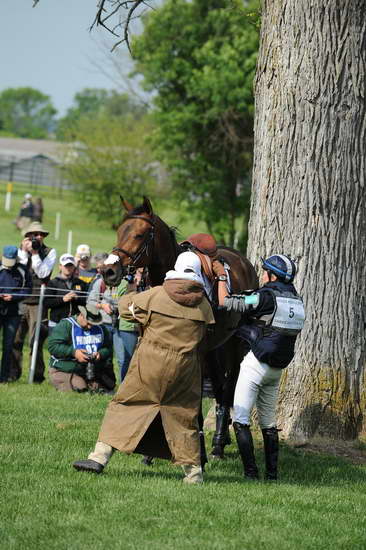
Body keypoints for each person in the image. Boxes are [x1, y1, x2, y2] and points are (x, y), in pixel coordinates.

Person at [73, 252, 215, 484]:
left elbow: (127, 309)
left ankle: (99, 457)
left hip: (150, 363)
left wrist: (130, 292)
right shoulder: (203, 306)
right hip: (185, 369)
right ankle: (194, 474)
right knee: (182, 416)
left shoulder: (157, 294)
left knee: (125, 405)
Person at [213, 254, 305, 481]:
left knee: (241, 419)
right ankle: (272, 476)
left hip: (256, 366)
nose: (262, 275)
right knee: (268, 422)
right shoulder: (296, 299)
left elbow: (226, 302)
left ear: (272, 275)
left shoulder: (265, 296)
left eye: (265, 271)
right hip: (276, 370)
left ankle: (251, 474)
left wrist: (223, 278)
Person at [11, 222, 57, 383]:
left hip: (38, 301)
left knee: (35, 340)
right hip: (19, 300)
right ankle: (12, 373)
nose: (37, 237)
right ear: (27, 237)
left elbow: (43, 273)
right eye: (33, 235)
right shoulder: (19, 251)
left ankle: (36, 376)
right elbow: (18, 272)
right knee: (15, 339)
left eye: (40, 234)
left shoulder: (49, 252)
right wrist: (24, 252)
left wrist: (36, 253)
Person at [87, 254, 139, 383]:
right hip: (104, 324)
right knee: (104, 356)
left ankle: (123, 386)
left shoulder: (128, 282)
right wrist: (102, 305)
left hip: (122, 325)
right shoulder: (100, 282)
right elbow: (90, 301)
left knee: (122, 358)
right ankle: (104, 384)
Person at [48, 304, 115, 393]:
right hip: (65, 369)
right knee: (80, 388)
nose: (90, 327)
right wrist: (74, 352)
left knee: (101, 390)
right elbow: (53, 346)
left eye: (93, 324)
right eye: (88, 323)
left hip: (91, 370)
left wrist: (100, 354)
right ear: (81, 315)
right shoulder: (66, 325)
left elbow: (109, 348)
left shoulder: (101, 328)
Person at [0, 246, 32, 382]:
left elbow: (28, 289)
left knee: (8, 345)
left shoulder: (22, 270)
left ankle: (3, 376)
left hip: (14, 313)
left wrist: (13, 296)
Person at [46, 253, 88, 335]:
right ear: (60, 266)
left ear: (74, 267)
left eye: (70, 266)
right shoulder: (53, 283)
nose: (68, 268)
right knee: (55, 347)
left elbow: (87, 301)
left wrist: (77, 298)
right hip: (56, 323)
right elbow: (46, 303)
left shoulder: (81, 283)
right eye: (66, 266)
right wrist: (63, 299)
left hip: (76, 322)